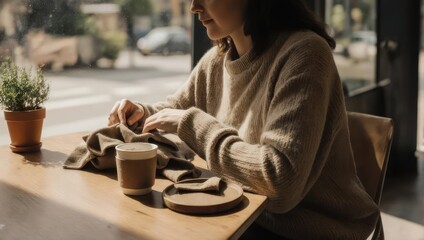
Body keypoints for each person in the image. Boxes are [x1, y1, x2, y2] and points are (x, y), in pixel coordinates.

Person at [108, 0, 379, 238]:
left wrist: (193, 126)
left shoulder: (305, 54)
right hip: (244, 216)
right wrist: (143, 112)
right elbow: (176, 108)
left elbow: (279, 183)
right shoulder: (218, 60)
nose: (194, 7)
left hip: (311, 230)